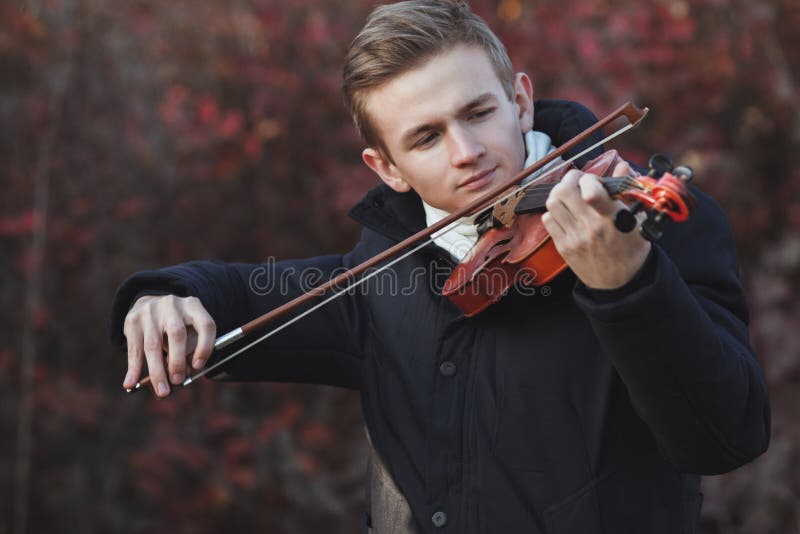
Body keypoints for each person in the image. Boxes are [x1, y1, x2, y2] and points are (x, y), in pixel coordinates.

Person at [110, 1, 770, 532]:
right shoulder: (380, 274)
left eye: (479, 113)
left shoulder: (644, 223)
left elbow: (726, 436)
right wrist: (164, 295)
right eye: (426, 138)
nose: (466, 152)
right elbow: (244, 292)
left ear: (519, 101)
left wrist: (629, 285)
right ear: (387, 168)